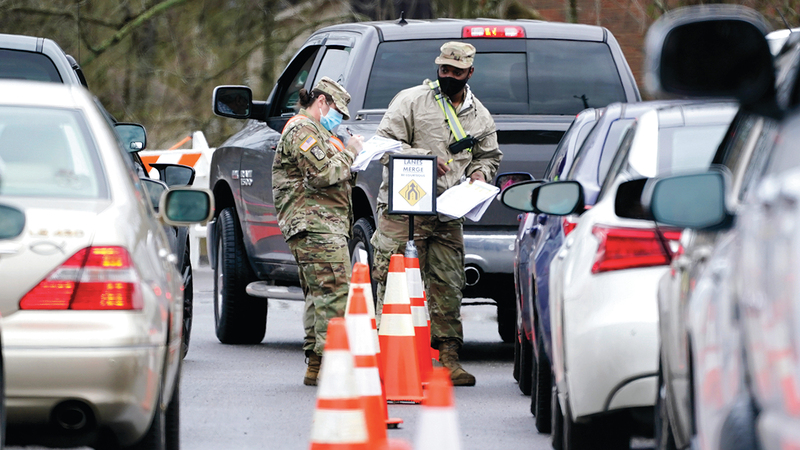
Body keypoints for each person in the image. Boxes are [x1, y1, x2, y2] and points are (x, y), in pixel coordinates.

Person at [371, 42, 502, 386]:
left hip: (448, 211)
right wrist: (424, 158)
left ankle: (448, 358)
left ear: (470, 73)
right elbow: (383, 146)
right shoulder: (411, 101)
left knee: (448, 284)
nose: (449, 76)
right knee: (395, 282)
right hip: (405, 210)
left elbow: (489, 157)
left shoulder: (480, 116)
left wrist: (480, 174)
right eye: (444, 69)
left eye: (456, 72)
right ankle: (389, 359)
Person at [272, 76, 364, 386]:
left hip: (320, 225)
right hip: (316, 226)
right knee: (335, 295)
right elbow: (322, 173)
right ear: (321, 101)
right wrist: (351, 153)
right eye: (338, 111)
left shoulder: (317, 132)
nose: (339, 119)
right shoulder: (303, 130)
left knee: (319, 295)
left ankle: (316, 365)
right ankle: (331, 367)